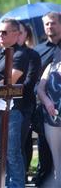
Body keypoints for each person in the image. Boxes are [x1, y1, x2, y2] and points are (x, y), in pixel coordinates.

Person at [0, 18, 30, 188]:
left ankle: (17, 186)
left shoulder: (20, 54)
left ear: (17, 33)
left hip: (12, 111)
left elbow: (10, 79)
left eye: (4, 32)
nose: (0, 35)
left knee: (12, 154)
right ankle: (3, 185)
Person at [33, 11, 61, 186]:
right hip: (43, 111)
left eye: (53, 23)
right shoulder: (38, 51)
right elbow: (35, 81)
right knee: (45, 153)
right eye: (47, 24)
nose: (50, 26)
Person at [17, 22, 41, 181]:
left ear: (26, 34)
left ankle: (20, 178)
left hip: (24, 105)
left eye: (19, 32)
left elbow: (30, 81)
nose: (16, 34)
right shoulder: (2, 53)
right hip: (3, 105)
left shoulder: (32, 54)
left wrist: (7, 91)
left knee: (19, 145)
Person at [37, 49, 61, 188]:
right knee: (56, 158)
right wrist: (47, 102)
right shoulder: (52, 65)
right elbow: (40, 89)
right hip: (52, 117)